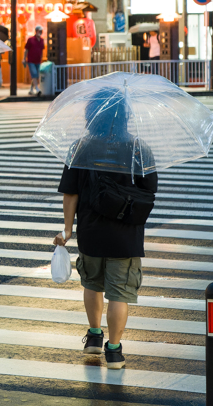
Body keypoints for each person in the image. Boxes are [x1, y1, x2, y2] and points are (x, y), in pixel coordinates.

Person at [54, 92, 158, 370]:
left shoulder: (81, 147)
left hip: (91, 231)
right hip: (126, 233)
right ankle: (114, 351)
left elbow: (70, 192)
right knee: (119, 294)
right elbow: (150, 190)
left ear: (92, 116)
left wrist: (67, 230)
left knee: (92, 283)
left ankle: (94, 335)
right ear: (125, 116)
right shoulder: (138, 148)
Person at [23, 26, 45, 95]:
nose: (40, 32)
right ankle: (37, 88)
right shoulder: (31, 39)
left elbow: (42, 50)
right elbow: (26, 49)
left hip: (38, 60)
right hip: (31, 60)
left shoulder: (41, 40)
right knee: (34, 74)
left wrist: (41, 58)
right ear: (36, 31)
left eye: (41, 31)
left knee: (37, 75)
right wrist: (24, 58)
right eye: (39, 31)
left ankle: (31, 89)